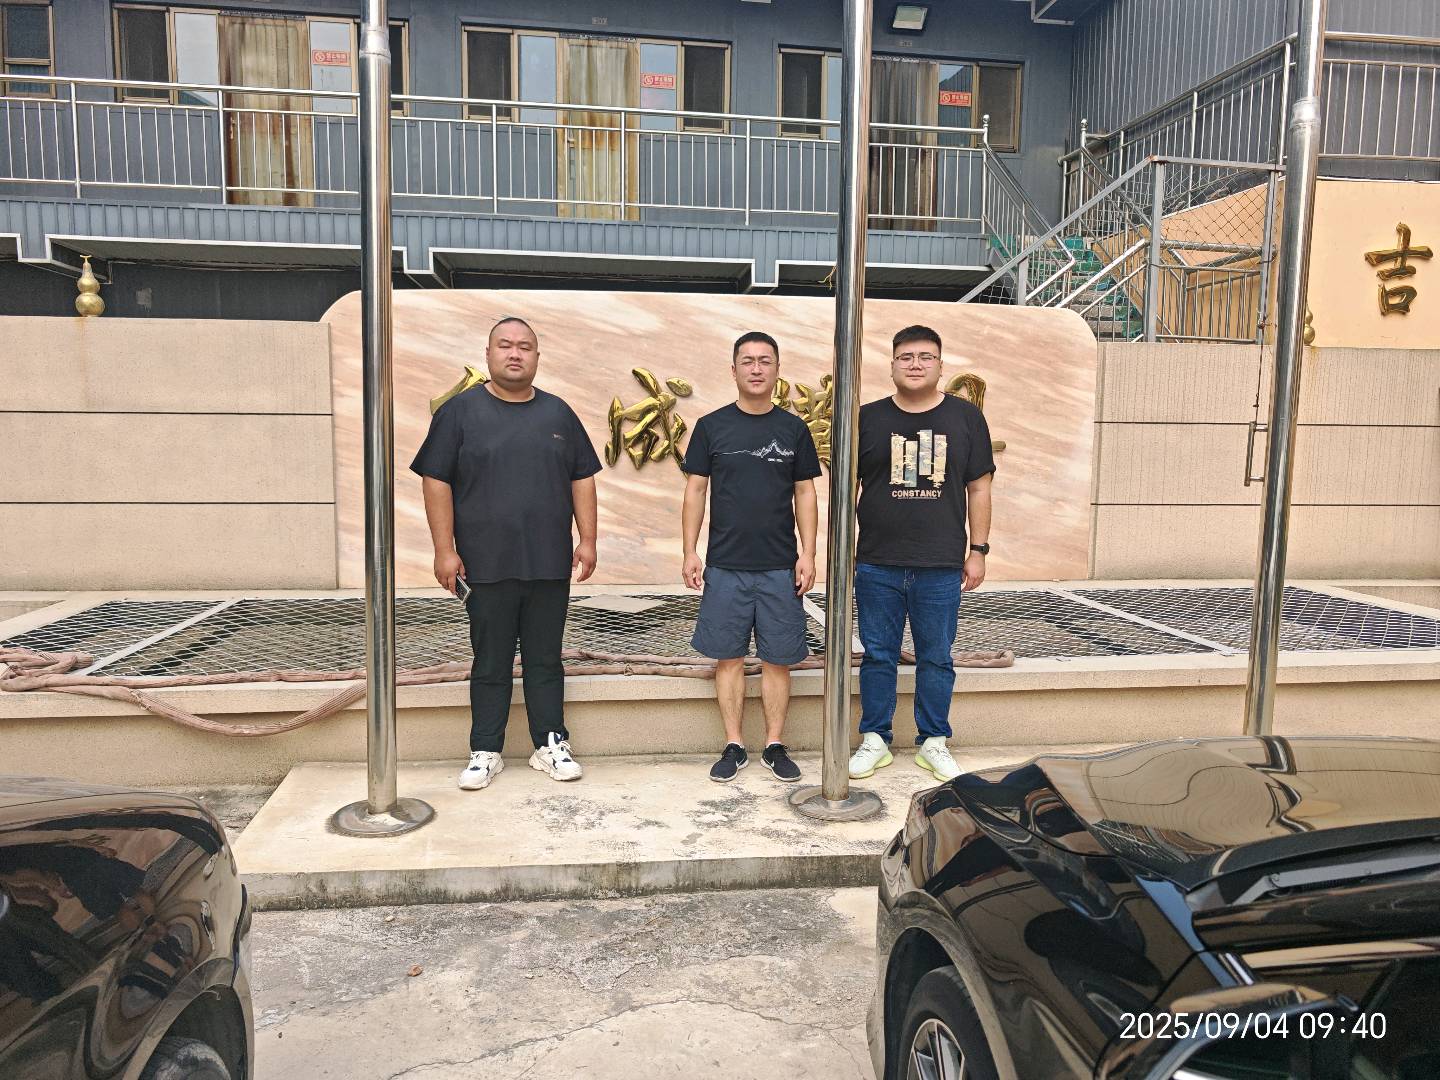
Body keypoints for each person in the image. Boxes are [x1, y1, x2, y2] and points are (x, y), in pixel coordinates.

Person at [411, 316, 601, 791]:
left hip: (548, 563)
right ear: (489, 353)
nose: (515, 354)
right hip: (485, 564)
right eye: (505, 345)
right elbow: (436, 480)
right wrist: (444, 550)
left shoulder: (558, 413)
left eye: (525, 347)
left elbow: (582, 477)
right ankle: (486, 750)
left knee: (545, 659)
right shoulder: (459, 413)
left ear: (537, 356)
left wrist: (588, 539)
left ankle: (550, 744)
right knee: (491, 661)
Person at [847, 324, 995, 783]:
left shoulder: (966, 418)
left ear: (940, 365)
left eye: (925, 357)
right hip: (877, 561)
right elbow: (846, 488)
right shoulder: (867, 418)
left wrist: (978, 550)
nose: (915, 364)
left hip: (940, 564)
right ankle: (875, 738)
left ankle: (934, 742)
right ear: (892, 365)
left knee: (937, 657)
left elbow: (979, 487)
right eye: (906, 357)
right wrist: (841, 552)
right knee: (878, 655)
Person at [682, 331, 822, 784]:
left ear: (777, 370)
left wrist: (808, 553)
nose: (756, 368)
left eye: (765, 361)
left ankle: (775, 744)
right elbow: (696, 490)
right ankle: (735, 744)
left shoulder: (793, 429)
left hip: (780, 565)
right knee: (728, 658)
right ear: (734, 370)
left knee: (779, 659)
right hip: (725, 565)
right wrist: (689, 551)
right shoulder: (711, 426)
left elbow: (805, 493)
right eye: (748, 361)